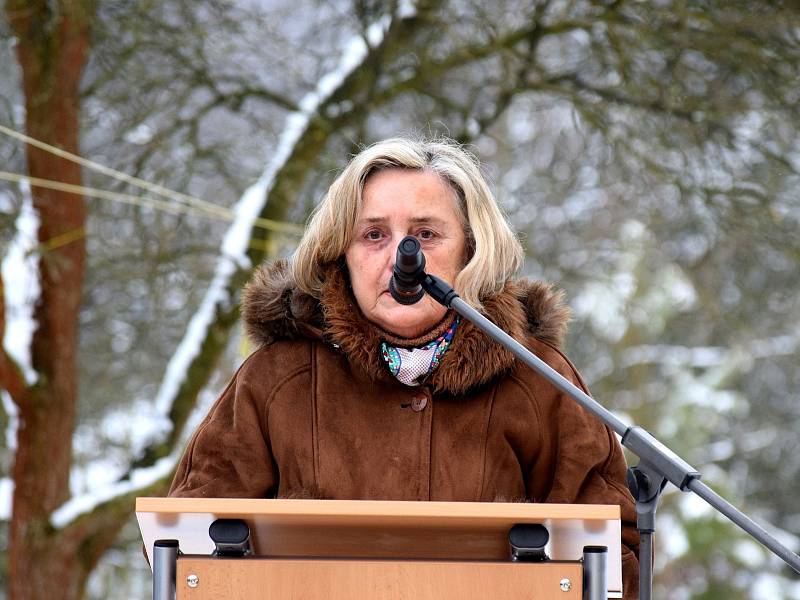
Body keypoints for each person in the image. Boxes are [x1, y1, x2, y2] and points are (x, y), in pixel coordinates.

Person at [168, 136, 640, 597]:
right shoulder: (276, 379)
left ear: (471, 251)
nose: (401, 258)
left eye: (426, 234)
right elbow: (184, 548)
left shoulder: (539, 378)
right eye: (374, 235)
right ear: (341, 254)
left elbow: (614, 554)